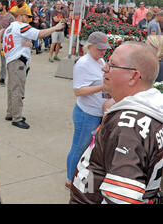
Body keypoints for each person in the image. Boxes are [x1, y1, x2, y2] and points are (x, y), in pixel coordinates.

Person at [69, 42, 162, 204]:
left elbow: (122, 198)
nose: (104, 68)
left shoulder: (129, 126)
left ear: (134, 76)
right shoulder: (144, 116)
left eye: (112, 65)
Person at [0, 7, 65, 129]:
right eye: (27, 16)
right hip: (18, 61)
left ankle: (11, 113)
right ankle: (16, 117)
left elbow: (17, 43)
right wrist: (55, 28)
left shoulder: (10, 28)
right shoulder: (20, 26)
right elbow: (39, 34)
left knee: (12, 89)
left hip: (12, 60)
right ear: (21, 16)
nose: (28, 19)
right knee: (17, 90)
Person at [65, 32, 110, 189]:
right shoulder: (84, 63)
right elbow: (78, 91)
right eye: (100, 49)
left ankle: (77, 176)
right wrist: (102, 87)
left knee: (87, 149)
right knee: (79, 147)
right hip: (87, 114)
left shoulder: (98, 60)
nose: (103, 52)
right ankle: (70, 179)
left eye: (105, 49)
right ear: (90, 46)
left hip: (96, 112)